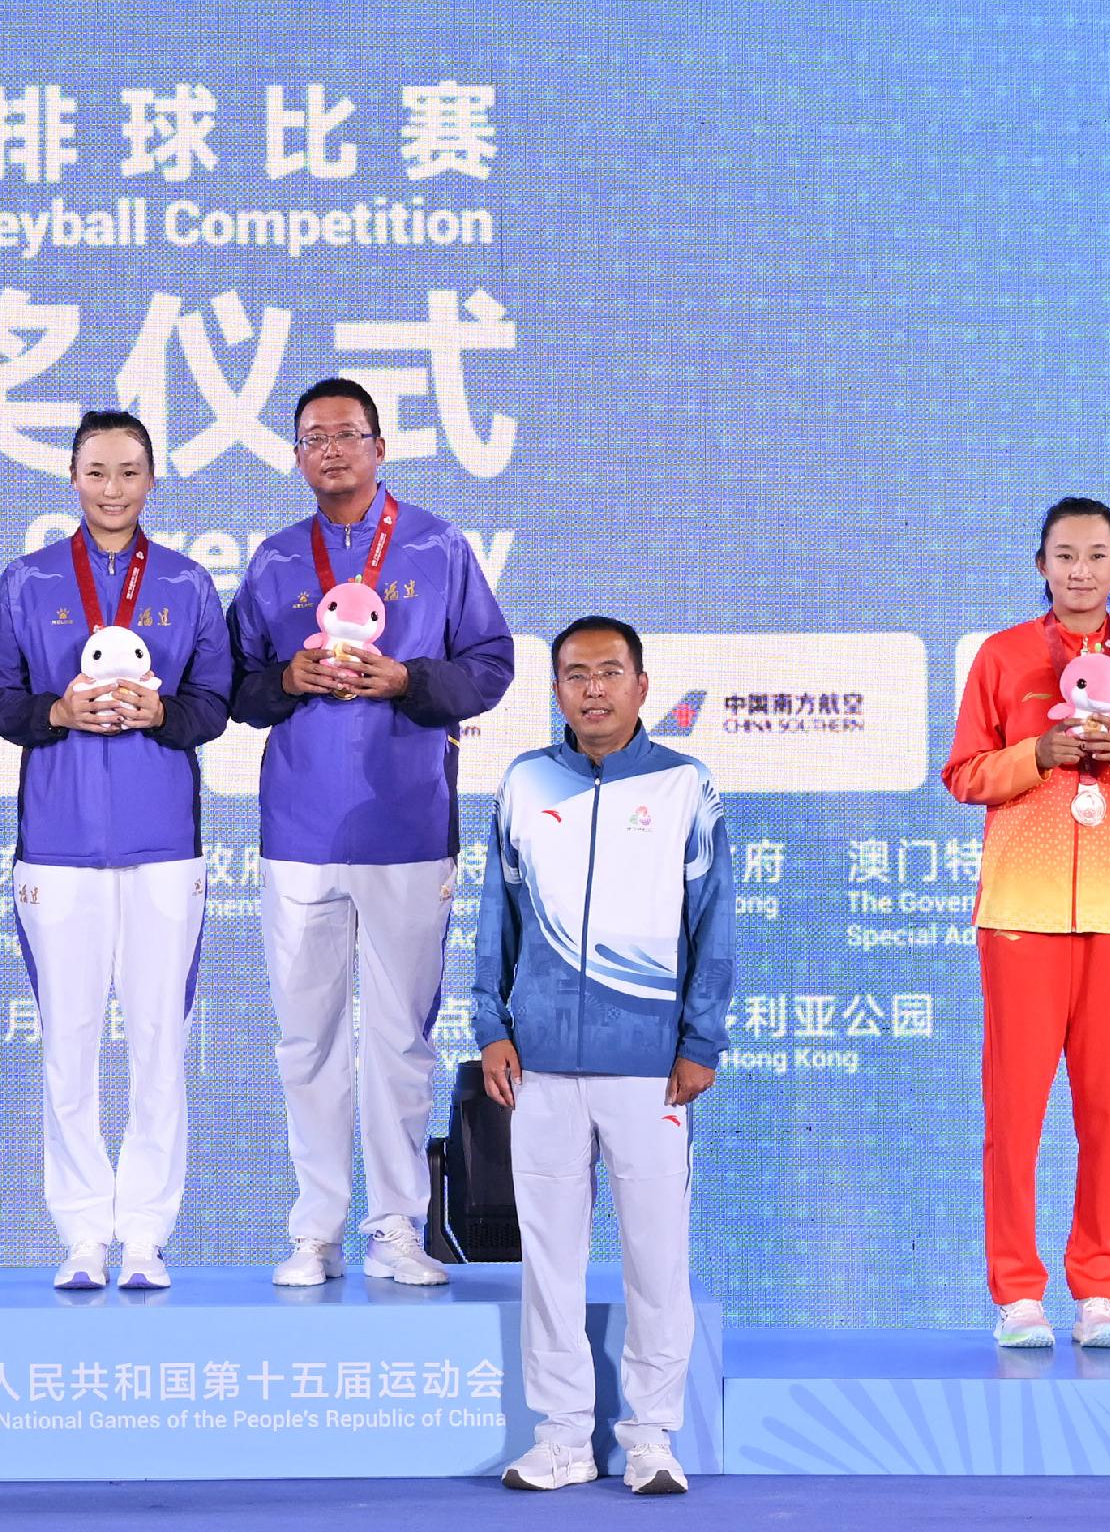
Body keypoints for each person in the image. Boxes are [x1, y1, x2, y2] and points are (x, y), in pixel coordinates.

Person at [228, 376, 514, 1289]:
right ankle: (316, 1226)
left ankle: (396, 1226)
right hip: (299, 832)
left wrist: (409, 683)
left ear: (381, 447)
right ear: (296, 455)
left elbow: (492, 664)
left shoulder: (436, 546)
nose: (333, 451)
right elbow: (230, 690)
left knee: (400, 1037)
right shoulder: (276, 561)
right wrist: (288, 680)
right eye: (314, 438)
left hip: (409, 823)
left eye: (349, 435)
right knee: (305, 1038)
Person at [470, 618, 732, 1497]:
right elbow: (495, 919)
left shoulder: (684, 786)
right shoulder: (523, 781)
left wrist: (699, 1039)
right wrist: (491, 1026)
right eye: (575, 675)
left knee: (658, 1257)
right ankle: (562, 1439)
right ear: (555, 691)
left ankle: (653, 1435)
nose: (592, 689)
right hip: (540, 1061)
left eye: (609, 673)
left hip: (648, 1063)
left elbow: (713, 926)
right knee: (550, 1259)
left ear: (642, 686)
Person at [0, 410, 234, 1290]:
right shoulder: (26, 581)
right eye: (96, 471)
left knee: (162, 1040)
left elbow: (215, 705)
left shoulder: (190, 583)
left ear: (152, 480)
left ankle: (148, 1232)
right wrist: (58, 711)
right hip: (57, 845)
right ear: (72, 478)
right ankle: (85, 1230)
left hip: (165, 845)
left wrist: (164, 714)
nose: (112, 488)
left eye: (129, 471)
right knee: (70, 1043)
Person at [942, 497, 1110, 1351]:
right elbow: (964, 774)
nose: (1081, 571)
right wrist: (1034, 756)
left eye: (1097, 555)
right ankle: (1017, 1292)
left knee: (1109, 1108)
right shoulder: (1004, 658)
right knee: (1016, 1111)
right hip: (1021, 914)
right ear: (1040, 563)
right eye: (1065, 555)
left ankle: (1103, 1289)